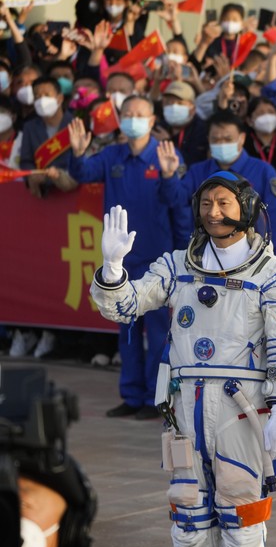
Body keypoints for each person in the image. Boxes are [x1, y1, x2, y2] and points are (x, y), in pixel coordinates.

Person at [90, 172, 276, 547]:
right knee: (188, 523)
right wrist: (112, 269)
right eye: (206, 204)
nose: (214, 212)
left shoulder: (274, 275)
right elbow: (125, 306)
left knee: (241, 522)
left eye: (224, 203)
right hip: (185, 411)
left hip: (241, 413)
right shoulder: (177, 266)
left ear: (249, 209)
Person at [66, 96, 190, 420]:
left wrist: (168, 175)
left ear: (152, 121)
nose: (133, 119)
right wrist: (77, 153)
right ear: (120, 120)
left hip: (157, 259)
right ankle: (132, 394)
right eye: (128, 114)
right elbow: (83, 173)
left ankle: (155, 397)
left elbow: (177, 200)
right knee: (127, 329)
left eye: (140, 114)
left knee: (159, 332)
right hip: (121, 259)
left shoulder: (165, 155)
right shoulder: (112, 155)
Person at [177, 110, 276, 255]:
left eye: (228, 139)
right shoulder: (197, 171)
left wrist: (267, 253)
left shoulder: (263, 171)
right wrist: (169, 177)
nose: (222, 143)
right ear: (208, 140)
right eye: (216, 140)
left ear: (242, 138)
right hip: (205, 255)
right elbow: (178, 203)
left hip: (251, 255)